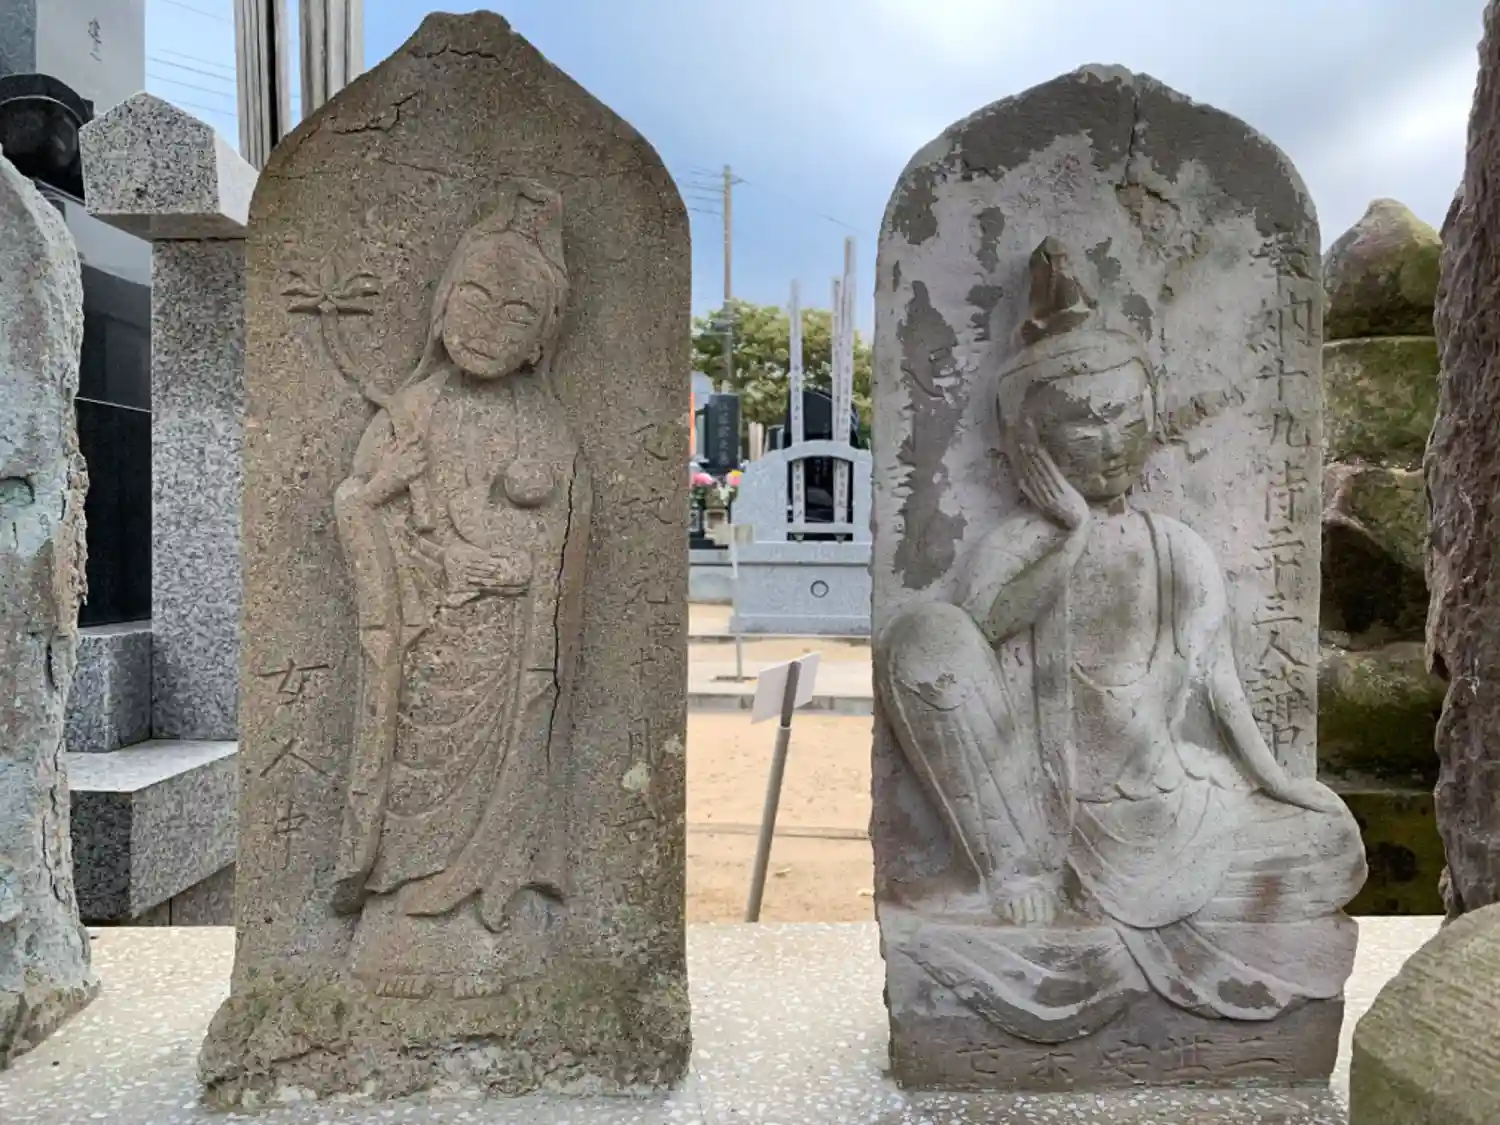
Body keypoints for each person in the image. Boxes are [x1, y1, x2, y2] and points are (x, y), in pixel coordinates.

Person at [876, 238, 1366, 1033]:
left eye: (1121, 418)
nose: (1105, 443)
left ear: (1148, 419)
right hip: (1047, 811)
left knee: (1330, 841)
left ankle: (1102, 934)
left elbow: (1219, 686)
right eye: (1080, 424)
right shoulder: (1022, 544)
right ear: (1032, 444)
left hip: (1170, 800)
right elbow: (983, 630)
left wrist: (1279, 781)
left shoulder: (1176, 547)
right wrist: (1071, 533)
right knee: (926, 637)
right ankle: (1021, 878)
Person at [329, 181, 591, 991]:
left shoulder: (545, 425)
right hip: (426, 639)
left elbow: (567, 536)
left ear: (542, 339)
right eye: (473, 299)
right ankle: (398, 906)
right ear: (442, 305)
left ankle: (487, 898)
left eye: (517, 314)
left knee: (503, 766)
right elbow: (357, 508)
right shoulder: (409, 411)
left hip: (511, 649)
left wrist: (525, 564)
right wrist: (387, 498)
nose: (487, 324)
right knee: (417, 768)